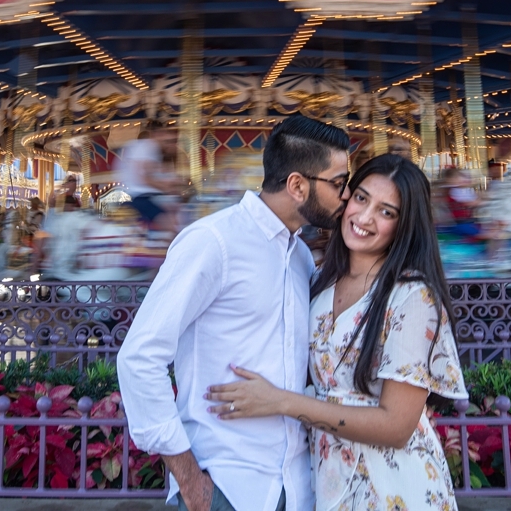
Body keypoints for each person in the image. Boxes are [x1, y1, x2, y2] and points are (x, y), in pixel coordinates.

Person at [204, 154, 467, 511]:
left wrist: (281, 401)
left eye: (386, 212)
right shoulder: (319, 282)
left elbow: (396, 425)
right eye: (361, 198)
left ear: (405, 226)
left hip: (395, 487)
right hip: (330, 480)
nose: (365, 217)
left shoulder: (411, 296)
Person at [118, 115, 352, 511]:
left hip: (296, 486)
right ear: (297, 185)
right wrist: (191, 482)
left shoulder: (298, 255)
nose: (345, 196)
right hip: (228, 485)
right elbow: (139, 357)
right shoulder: (214, 242)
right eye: (339, 183)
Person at [119, 120, 181, 226]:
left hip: (144, 197)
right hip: (142, 198)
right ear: (158, 134)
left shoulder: (146, 148)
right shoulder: (148, 147)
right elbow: (144, 178)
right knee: (172, 225)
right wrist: (168, 188)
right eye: (169, 140)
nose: (171, 144)